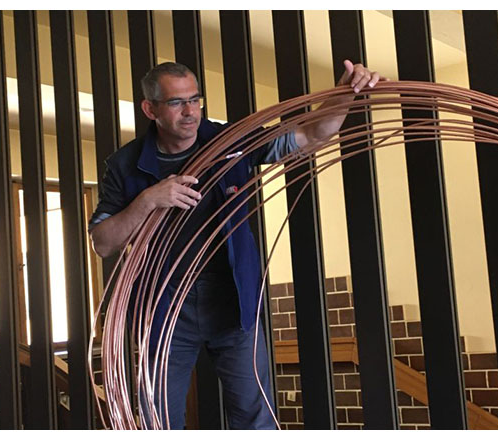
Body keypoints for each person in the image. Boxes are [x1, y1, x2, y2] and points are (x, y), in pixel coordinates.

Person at [89, 60, 381, 429]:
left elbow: (310, 135)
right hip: (164, 307)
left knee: (255, 418)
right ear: (150, 109)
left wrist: (345, 95)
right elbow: (103, 243)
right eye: (176, 103)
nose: (190, 111)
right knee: (155, 419)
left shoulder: (230, 141)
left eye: (195, 99)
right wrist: (149, 200)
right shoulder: (125, 164)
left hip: (233, 301)